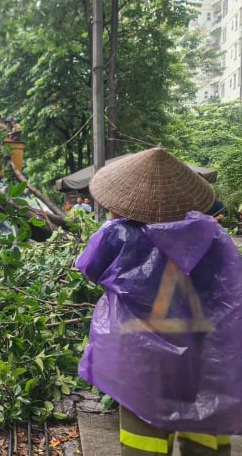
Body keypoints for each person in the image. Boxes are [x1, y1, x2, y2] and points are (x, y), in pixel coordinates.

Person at [75, 147, 242, 455]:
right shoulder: (213, 236)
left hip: (141, 355)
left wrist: (116, 219)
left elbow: (90, 267)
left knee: (144, 439)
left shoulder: (119, 235)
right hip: (198, 349)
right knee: (203, 428)